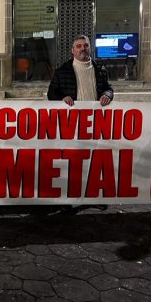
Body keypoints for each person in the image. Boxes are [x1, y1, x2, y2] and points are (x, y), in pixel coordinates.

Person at [47, 35, 114, 212]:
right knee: (71, 162)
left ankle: (94, 196)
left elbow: (108, 88)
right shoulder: (62, 71)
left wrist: (107, 95)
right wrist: (62, 98)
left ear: (90, 48)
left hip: (95, 123)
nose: (82, 49)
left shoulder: (100, 69)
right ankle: (67, 199)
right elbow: (51, 93)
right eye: (78, 46)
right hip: (72, 125)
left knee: (94, 162)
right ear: (72, 51)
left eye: (85, 45)